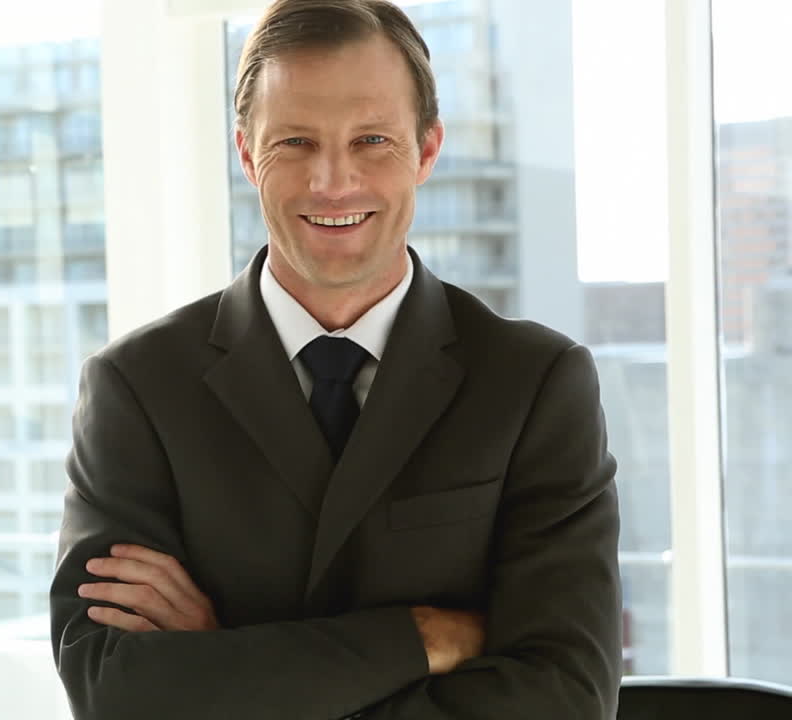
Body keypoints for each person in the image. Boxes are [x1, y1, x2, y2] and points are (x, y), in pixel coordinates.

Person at [49, 0, 622, 718]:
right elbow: (115, 692)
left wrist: (227, 657)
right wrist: (417, 639)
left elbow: (564, 698)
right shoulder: (137, 388)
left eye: (373, 140)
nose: (332, 181)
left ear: (428, 148)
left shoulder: (536, 383)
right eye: (294, 143)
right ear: (248, 153)